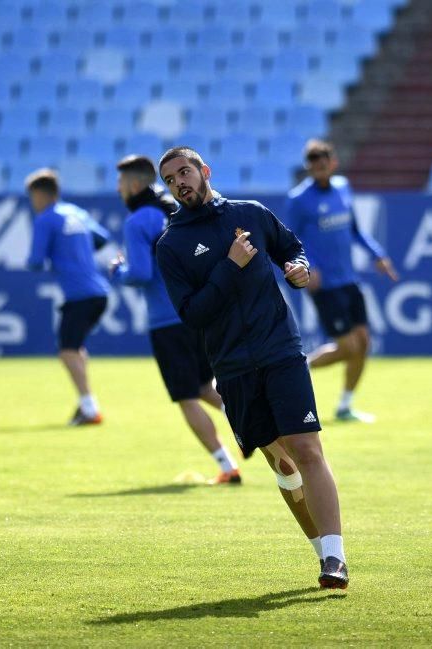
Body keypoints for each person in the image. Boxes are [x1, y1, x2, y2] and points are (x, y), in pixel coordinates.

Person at [155, 146, 349, 589]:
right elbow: (193, 314)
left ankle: (334, 559)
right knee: (283, 466)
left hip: (281, 350)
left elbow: (291, 248)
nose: (179, 183)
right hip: (234, 367)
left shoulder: (251, 213)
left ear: (204, 171)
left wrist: (297, 268)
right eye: (169, 180)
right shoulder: (172, 245)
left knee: (308, 448)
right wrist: (230, 265)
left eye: (184, 172)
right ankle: (321, 550)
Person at [111, 154, 241, 485]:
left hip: (167, 319)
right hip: (199, 311)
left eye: (121, 183)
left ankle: (227, 466)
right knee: (203, 386)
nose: (118, 189)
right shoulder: (176, 210)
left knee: (186, 396)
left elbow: (140, 273)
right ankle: (257, 423)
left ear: (135, 184)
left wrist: (119, 270)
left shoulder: (138, 221)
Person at [284, 140, 398, 422]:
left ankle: (345, 405)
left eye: (323, 165)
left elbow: (356, 230)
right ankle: (293, 370)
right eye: (313, 167)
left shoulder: (343, 188)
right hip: (325, 285)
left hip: (349, 280)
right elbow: (290, 241)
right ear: (308, 168)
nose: (319, 171)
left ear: (332, 164)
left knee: (364, 344)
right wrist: (309, 266)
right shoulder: (299, 200)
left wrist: (378, 255)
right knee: (348, 348)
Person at [25, 168, 111, 426]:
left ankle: (89, 407)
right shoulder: (77, 213)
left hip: (79, 294)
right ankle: (86, 404)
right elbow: (102, 238)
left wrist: (55, 257)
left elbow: (35, 261)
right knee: (75, 349)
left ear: (39, 195)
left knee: (67, 351)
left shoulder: (45, 219)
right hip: (99, 291)